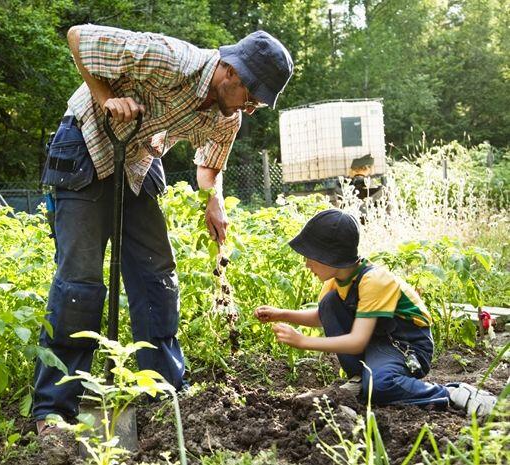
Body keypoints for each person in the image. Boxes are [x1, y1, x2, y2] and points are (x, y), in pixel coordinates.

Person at [33, 24, 294, 442]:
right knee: (80, 282)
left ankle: (165, 388)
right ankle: (55, 407)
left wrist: (215, 201)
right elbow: (78, 37)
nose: (251, 108)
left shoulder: (226, 117)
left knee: (157, 277)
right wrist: (106, 98)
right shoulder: (169, 57)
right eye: (251, 96)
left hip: (137, 156)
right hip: (86, 143)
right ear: (231, 72)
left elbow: (209, 165)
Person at [254, 209, 498, 417]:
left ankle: (453, 393)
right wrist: (281, 314)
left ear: (330, 257)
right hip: (378, 342)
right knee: (328, 304)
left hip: (408, 345)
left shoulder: (374, 280)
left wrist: (303, 341)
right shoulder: (336, 281)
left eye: (310, 257)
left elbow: (357, 340)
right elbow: (322, 317)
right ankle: (362, 379)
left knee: (380, 387)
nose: (307, 264)